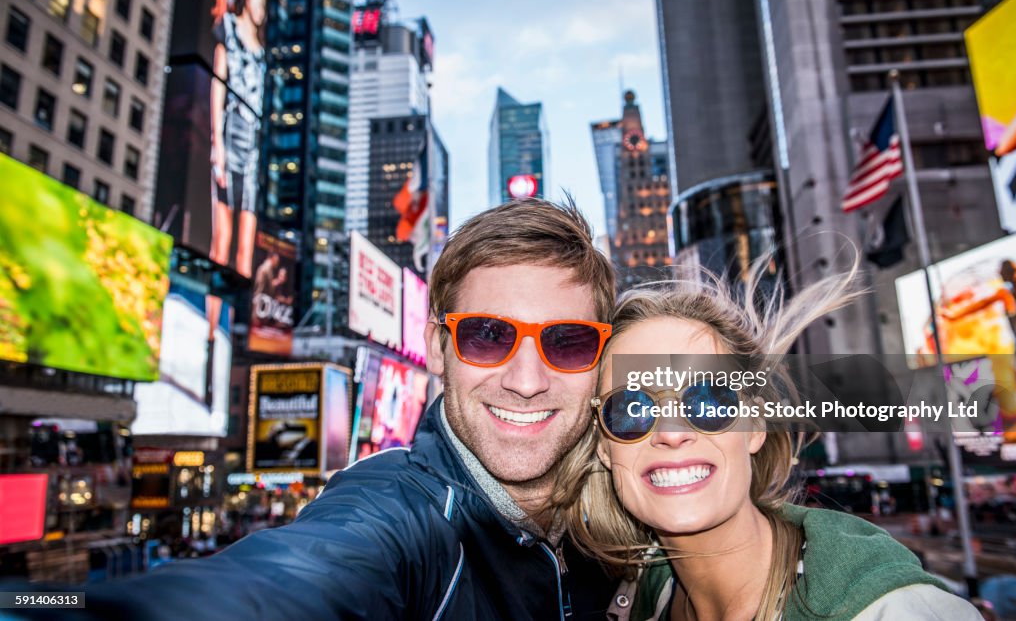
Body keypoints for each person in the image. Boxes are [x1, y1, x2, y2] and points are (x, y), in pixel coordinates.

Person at [12, 198, 619, 620]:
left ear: (602, 359)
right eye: (488, 336)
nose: (526, 380)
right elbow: (287, 584)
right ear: (439, 348)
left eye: (567, 341)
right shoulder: (399, 518)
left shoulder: (629, 515)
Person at [550, 258, 982, 620]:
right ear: (604, 445)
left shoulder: (891, 609)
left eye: (707, 399)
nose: (671, 433)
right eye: (631, 409)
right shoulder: (635, 599)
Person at [208, 0, 265, 278]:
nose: (263, 9)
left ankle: (237, 326)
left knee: (246, 247)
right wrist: (217, 144)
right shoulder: (227, 33)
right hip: (231, 135)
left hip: (253, 150)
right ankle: (213, 330)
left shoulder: (262, 54)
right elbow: (218, 87)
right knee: (221, 241)